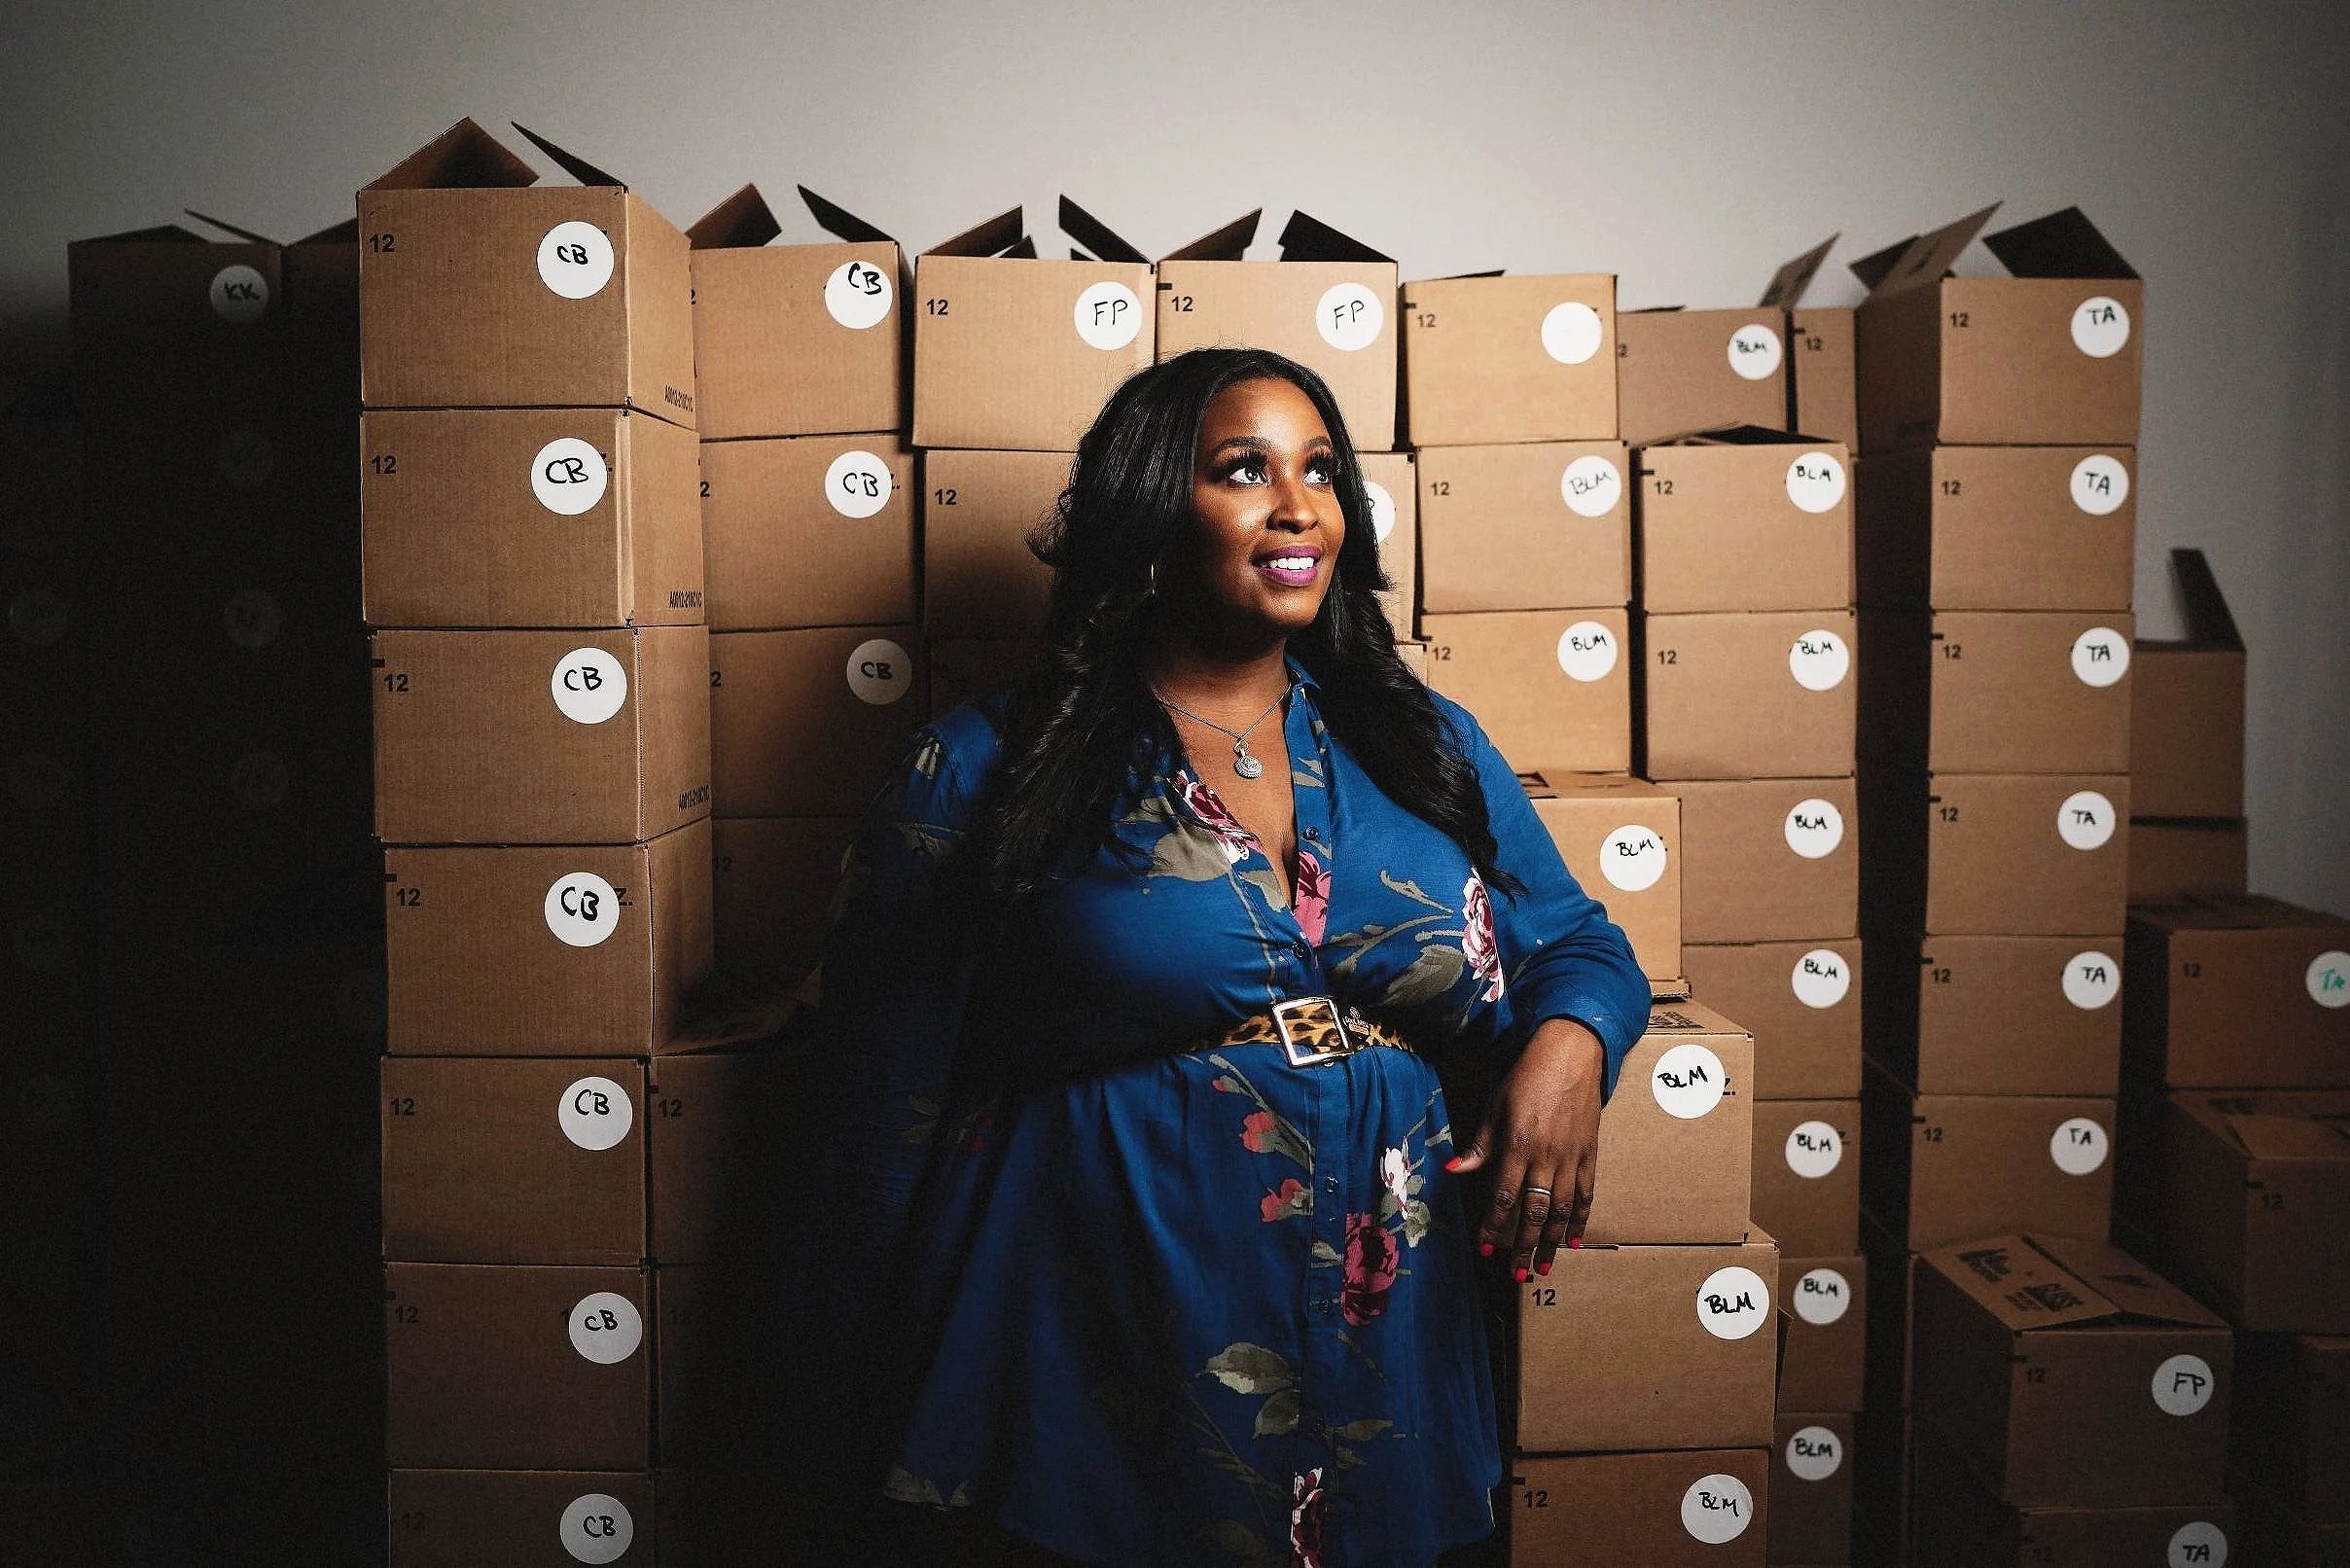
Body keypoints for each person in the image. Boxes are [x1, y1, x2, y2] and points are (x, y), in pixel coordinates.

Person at [789, 346, 1651, 1567]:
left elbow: (1579, 941)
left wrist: (1569, 1050)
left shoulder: (1419, 742)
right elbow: (881, 1102)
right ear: (1152, 510)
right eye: (1243, 470)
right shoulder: (986, 761)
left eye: (1319, 470)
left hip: (1386, 1321)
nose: (1297, 505)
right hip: (1097, 1309)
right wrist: (845, 1402)